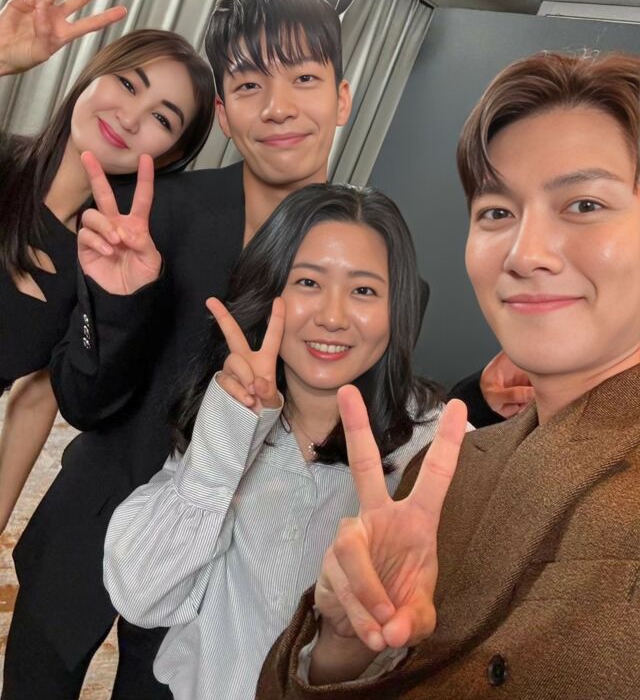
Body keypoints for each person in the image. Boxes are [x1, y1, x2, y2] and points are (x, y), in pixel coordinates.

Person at [3, 0, 353, 700]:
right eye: (251, 84)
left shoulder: (364, 258)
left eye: (305, 79)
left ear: (342, 98)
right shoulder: (150, 208)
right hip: (90, 521)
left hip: (228, 562)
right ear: (223, 113)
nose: (279, 106)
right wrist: (121, 303)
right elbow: (77, 398)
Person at [256, 50, 640, 699]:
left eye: (583, 204)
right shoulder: (445, 471)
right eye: (496, 213)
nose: (525, 254)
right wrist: (346, 645)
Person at [101, 182, 446, 700]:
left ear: (397, 310)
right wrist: (228, 435)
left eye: (363, 291)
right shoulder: (227, 416)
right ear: (269, 290)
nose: (332, 317)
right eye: (308, 282)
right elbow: (140, 594)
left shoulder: (433, 446)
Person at [0, 0, 214, 535]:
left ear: (169, 156)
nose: (130, 116)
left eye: (163, 118)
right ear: (93, 75)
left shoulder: (103, 264)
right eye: (127, 83)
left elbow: (37, 397)